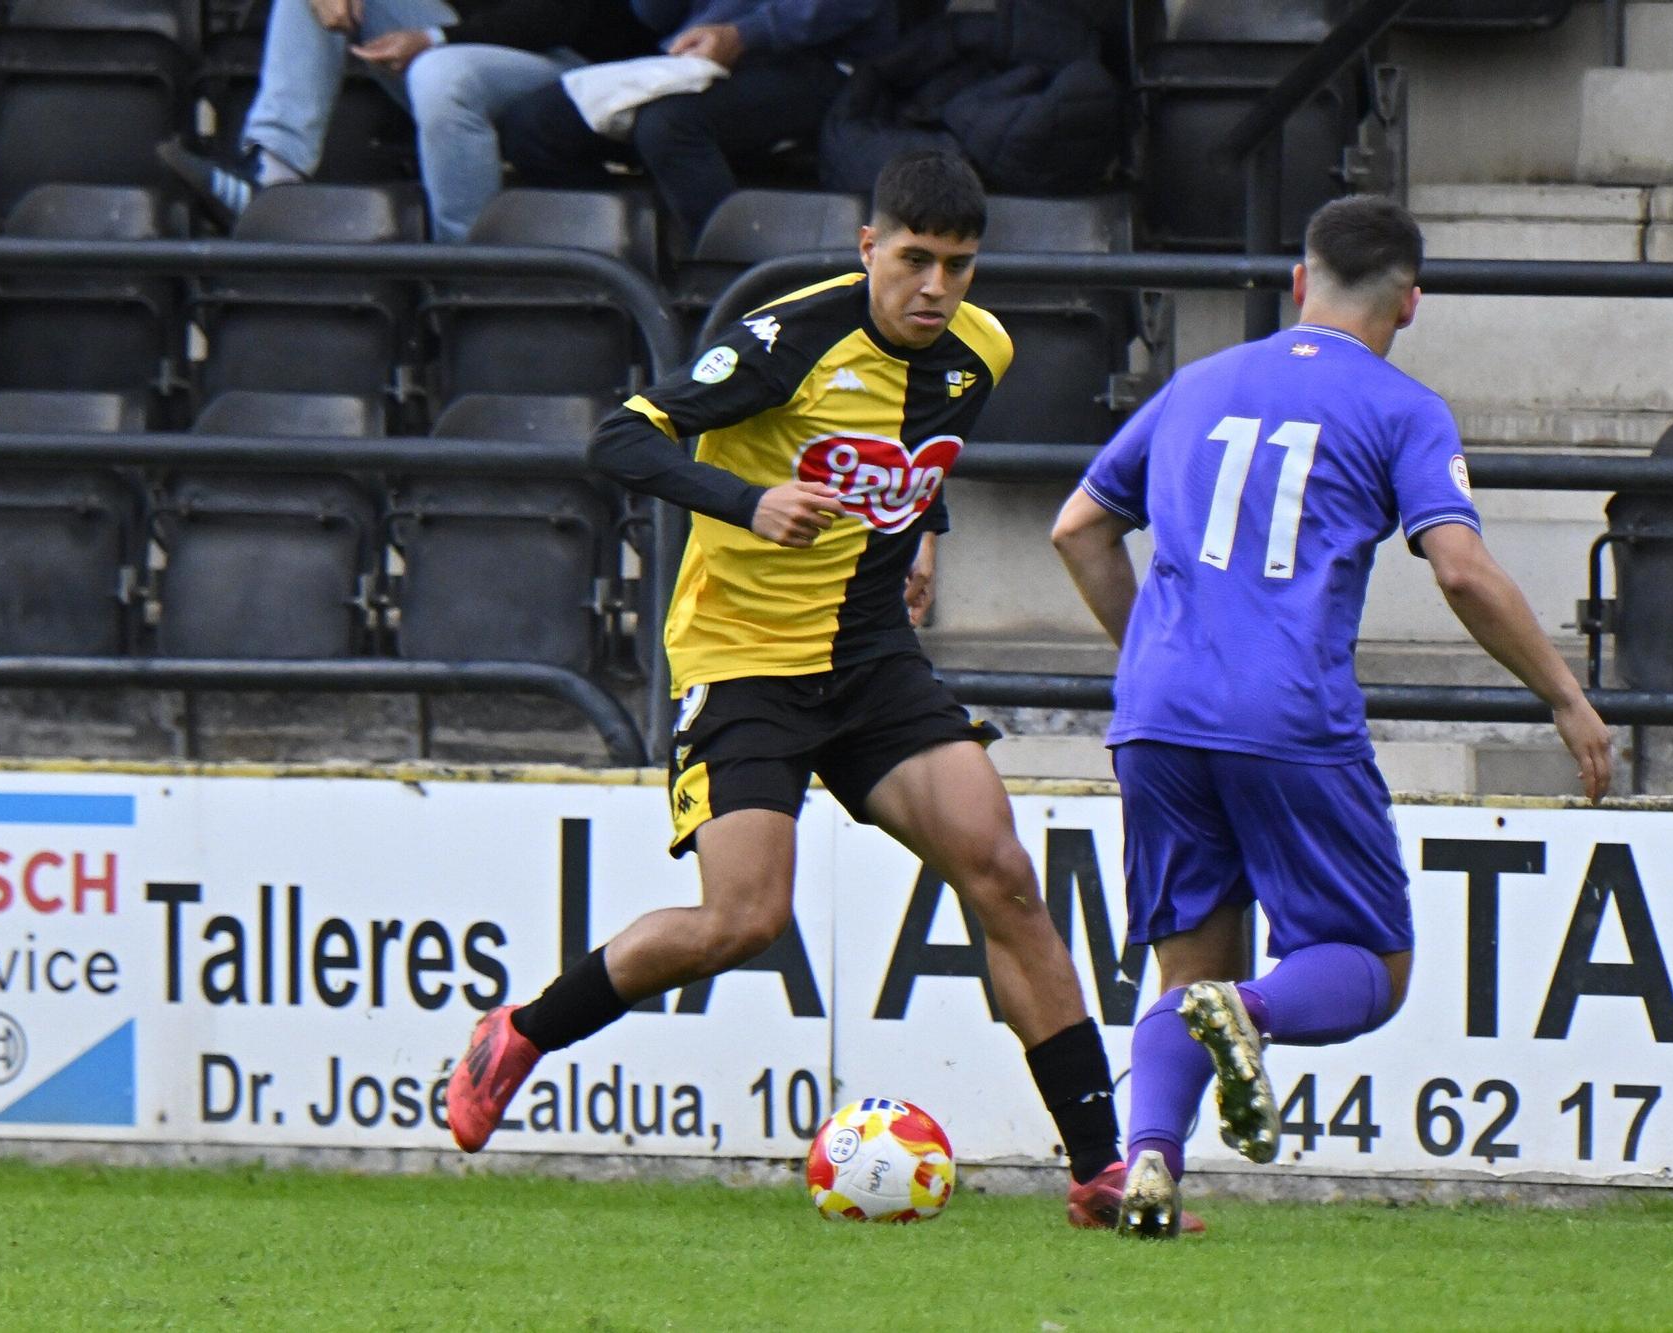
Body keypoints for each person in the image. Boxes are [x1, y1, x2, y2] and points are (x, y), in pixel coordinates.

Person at [444, 149, 1182, 1231]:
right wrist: (746, 503)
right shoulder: (787, 341)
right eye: (915, 260)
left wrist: (920, 525)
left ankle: (1098, 1171)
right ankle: (520, 1030)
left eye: (958, 266)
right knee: (742, 918)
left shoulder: (980, 350)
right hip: (742, 659)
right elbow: (621, 436)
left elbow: (910, 455)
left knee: (1003, 872)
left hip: (871, 657)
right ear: (868, 248)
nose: (934, 288)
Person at [1050, 195, 1614, 1238]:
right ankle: (1251, 1015)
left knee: (1186, 969)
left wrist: (1147, 655)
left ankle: (1148, 1169)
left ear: (1298, 283)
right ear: (1408, 302)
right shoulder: (1401, 408)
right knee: (1369, 961)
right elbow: (1459, 569)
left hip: (1157, 712)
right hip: (1286, 715)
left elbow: (1078, 528)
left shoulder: (1194, 383)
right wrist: (1564, 695)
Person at [157, 0, 657, 240]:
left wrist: (436, 38)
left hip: (583, 73)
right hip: (473, 44)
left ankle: (465, 266)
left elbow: (559, 17)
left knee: (444, 72)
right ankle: (274, 175)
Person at [495, 0, 894, 247]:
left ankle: (736, 290)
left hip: (821, 61)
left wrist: (745, 34)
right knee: (532, 126)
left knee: (667, 125)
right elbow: (654, 14)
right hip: (697, 57)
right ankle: (628, 260)